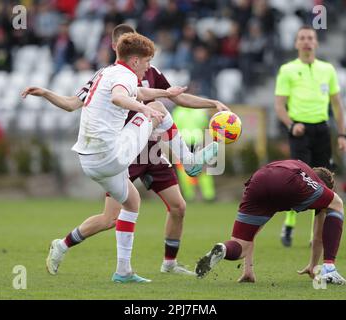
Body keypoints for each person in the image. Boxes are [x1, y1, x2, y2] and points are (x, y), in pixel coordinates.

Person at [22, 27, 225, 281]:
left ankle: (131, 270)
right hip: (120, 151)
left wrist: (45, 93)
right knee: (110, 217)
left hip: (119, 153)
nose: (147, 66)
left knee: (155, 205)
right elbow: (115, 97)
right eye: (145, 60)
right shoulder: (120, 75)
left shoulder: (126, 73)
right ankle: (190, 161)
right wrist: (146, 109)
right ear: (128, 54)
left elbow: (150, 94)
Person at [195, 159, 346, 285]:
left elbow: (253, 235)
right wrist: (315, 265)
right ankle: (329, 269)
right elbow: (317, 237)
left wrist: (248, 270)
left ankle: (223, 249)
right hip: (290, 177)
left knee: (240, 246)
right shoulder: (312, 181)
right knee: (337, 204)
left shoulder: (297, 168)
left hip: (258, 180)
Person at [274, 26, 346, 247]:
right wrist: (291, 124)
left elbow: (337, 105)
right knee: (298, 179)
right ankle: (289, 224)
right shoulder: (287, 70)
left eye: (310, 38)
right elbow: (279, 105)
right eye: (302, 38)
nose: (306, 41)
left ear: (316, 43)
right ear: (296, 43)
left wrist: (342, 134)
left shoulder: (327, 69)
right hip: (300, 131)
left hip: (322, 130)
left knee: (324, 182)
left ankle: (316, 234)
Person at [172, 105, 216, 202]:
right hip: (198, 140)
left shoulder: (178, 111)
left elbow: (173, 128)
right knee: (203, 169)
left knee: (184, 170)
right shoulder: (200, 111)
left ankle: (189, 195)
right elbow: (205, 126)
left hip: (183, 142)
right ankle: (209, 195)